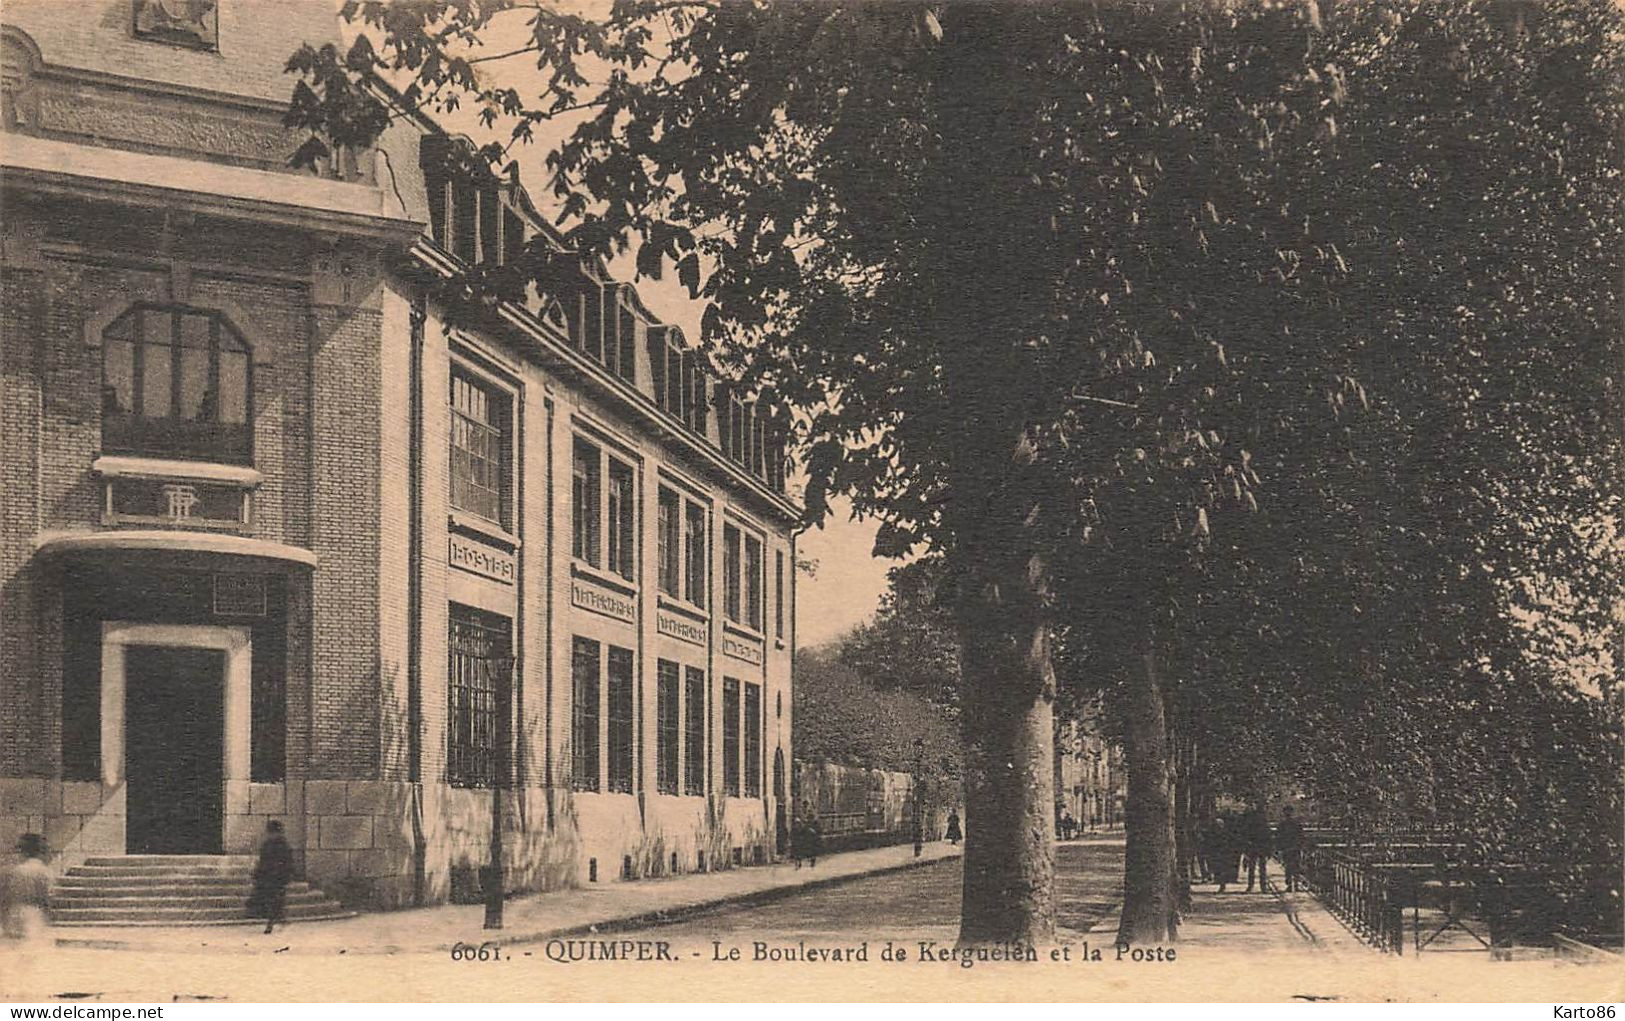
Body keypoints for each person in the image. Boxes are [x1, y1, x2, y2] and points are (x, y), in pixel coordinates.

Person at [2, 833, 51, 941]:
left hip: (14, 915)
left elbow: (5, 899)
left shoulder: (13, 871)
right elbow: (46, 898)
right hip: (33, 917)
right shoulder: (43, 871)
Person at [247, 820, 294, 934]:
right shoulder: (283, 844)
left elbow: (262, 861)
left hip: (269, 876)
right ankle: (276, 920)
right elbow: (288, 861)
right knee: (276, 899)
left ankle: (273, 921)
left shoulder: (268, 844)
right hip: (277, 877)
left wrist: (257, 874)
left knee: (270, 899)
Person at [1242, 804, 1272, 893]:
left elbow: (1246, 835)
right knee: (1260, 868)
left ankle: (1252, 886)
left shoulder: (1251, 822)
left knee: (1253, 867)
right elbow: (1268, 836)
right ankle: (1262, 887)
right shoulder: (1263, 823)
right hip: (1259, 846)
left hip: (1255, 846)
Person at [1276, 805, 1305, 893]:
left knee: (1294, 866)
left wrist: (1300, 845)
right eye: (1286, 812)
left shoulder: (1295, 824)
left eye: (1289, 812)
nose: (1287, 813)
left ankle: (1295, 884)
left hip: (1293, 848)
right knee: (1289, 867)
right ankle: (1290, 884)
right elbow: (1279, 837)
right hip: (1288, 848)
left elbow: (1301, 836)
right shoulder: (1282, 824)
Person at [1210, 815, 1241, 893]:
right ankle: (1222, 885)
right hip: (1218, 855)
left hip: (1224, 855)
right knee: (1219, 871)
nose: (1217, 827)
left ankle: (1222, 885)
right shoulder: (1214, 834)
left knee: (1223, 871)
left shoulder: (1225, 834)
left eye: (1219, 825)